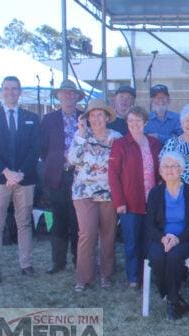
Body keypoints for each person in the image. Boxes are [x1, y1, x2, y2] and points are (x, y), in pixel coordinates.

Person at [0, 76, 40, 284]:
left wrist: (20, 173)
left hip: (25, 178)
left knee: (24, 223)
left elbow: (35, 148)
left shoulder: (32, 117)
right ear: (2, 91)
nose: (10, 92)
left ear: (20, 91)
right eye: (7, 89)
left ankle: (26, 264)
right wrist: (7, 173)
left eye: (14, 89)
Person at [67, 99, 123, 292]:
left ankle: (106, 275)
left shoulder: (116, 137)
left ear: (107, 117)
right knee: (87, 233)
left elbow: (121, 166)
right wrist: (82, 134)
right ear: (87, 119)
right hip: (83, 193)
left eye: (100, 115)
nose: (96, 119)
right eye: (92, 115)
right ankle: (84, 277)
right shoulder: (81, 135)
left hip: (109, 194)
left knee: (108, 235)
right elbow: (72, 159)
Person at [109, 106, 161, 288]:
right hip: (130, 202)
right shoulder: (120, 144)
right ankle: (133, 277)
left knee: (150, 240)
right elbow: (113, 175)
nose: (134, 124)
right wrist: (119, 202)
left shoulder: (154, 143)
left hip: (152, 202)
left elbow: (161, 171)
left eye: (138, 121)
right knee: (132, 242)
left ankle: (149, 274)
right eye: (130, 121)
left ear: (145, 123)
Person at [145, 151, 189, 320]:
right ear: (160, 171)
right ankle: (173, 298)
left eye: (174, 166)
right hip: (161, 237)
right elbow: (150, 224)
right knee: (156, 256)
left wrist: (177, 239)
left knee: (174, 256)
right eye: (165, 166)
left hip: (186, 239)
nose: (169, 170)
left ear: (181, 170)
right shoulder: (155, 193)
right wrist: (163, 238)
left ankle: (172, 301)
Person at [40, 79, 83, 274]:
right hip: (56, 176)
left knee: (78, 220)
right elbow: (42, 148)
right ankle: (58, 262)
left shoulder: (84, 118)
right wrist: (55, 162)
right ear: (58, 96)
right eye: (63, 93)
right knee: (58, 220)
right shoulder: (49, 119)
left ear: (76, 96)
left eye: (71, 93)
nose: (67, 96)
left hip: (79, 177)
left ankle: (78, 260)